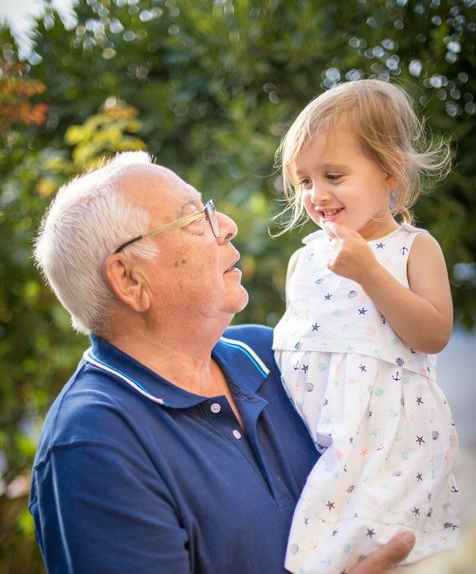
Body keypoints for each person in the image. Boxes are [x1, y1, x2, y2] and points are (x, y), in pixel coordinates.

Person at [29, 151, 415, 573]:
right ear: (129, 279)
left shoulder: (275, 354)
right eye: (194, 218)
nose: (227, 225)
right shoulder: (93, 445)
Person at [272, 79, 460, 573]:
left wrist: (370, 273)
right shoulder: (304, 261)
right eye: (305, 181)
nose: (317, 194)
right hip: (320, 444)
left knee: (388, 554)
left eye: (334, 175)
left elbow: (433, 333)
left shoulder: (413, 248)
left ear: (388, 171)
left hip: (390, 449)